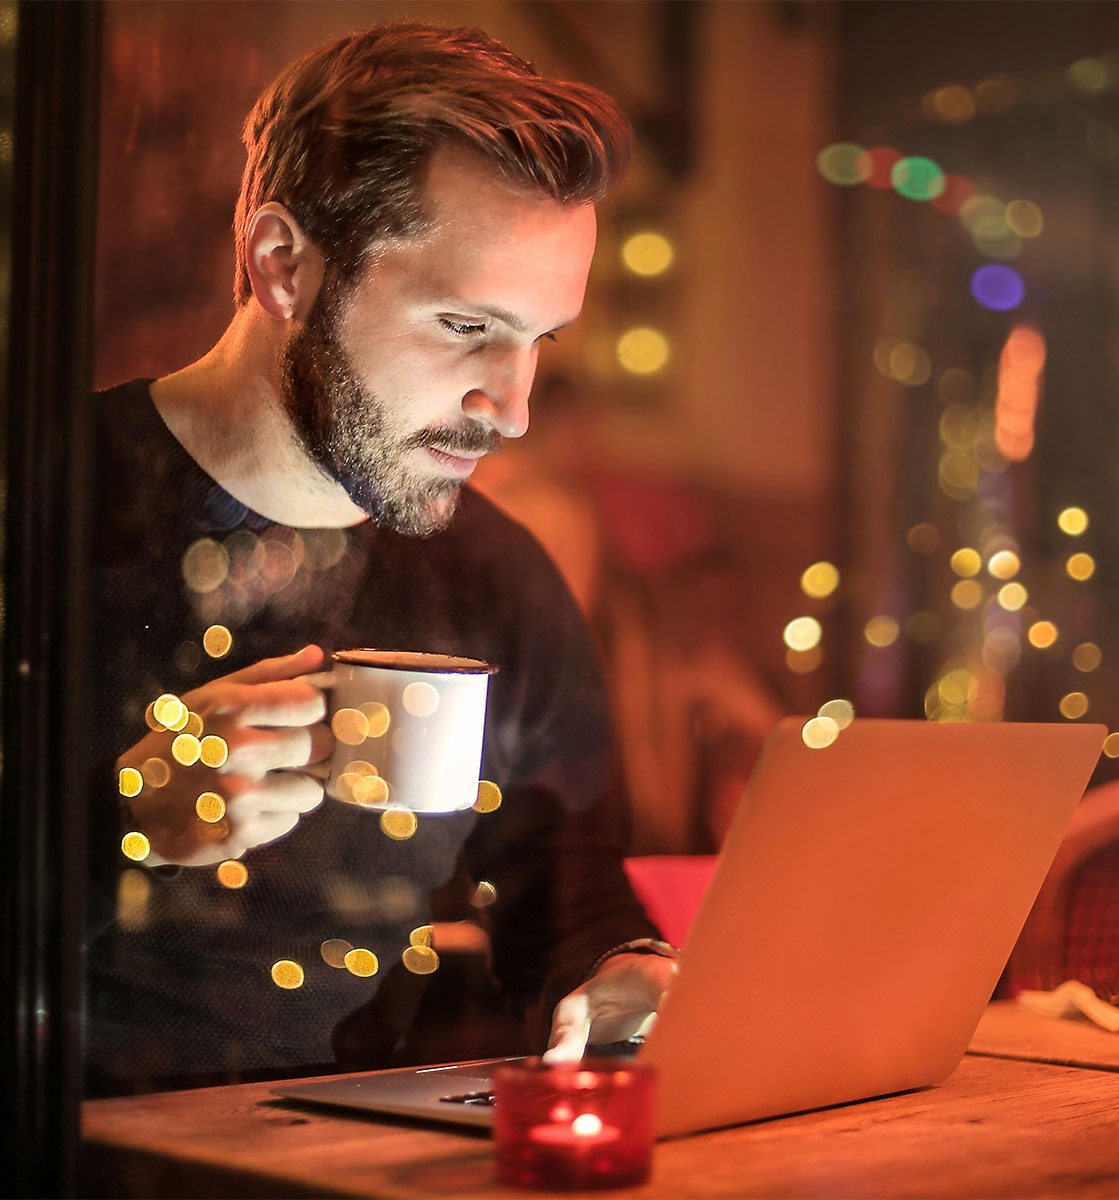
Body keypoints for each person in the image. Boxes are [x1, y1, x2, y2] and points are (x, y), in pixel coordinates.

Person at [85, 20, 676, 1094]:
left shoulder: (500, 580)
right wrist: (106, 832)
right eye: (464, 326)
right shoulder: (45, 510)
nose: (513, 408)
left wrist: (625, 973)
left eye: (540, 340)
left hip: (353, 1162)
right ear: (282, 266)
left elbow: (566, 892)